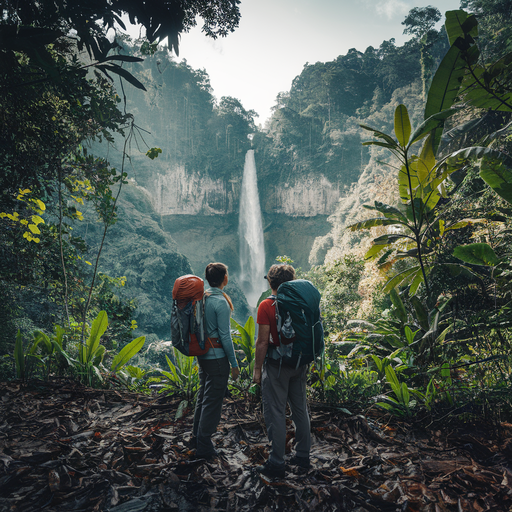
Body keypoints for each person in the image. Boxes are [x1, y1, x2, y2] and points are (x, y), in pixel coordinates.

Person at [253, 264, 311, 478]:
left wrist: (257, 369)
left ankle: (277, 462)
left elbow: (261, 342)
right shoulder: (303, 302)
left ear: (270, 282)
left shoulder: (266, 305)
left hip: (277, 366)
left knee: (276, 412)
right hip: (299, 363)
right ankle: (303, 455)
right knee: (300, 409)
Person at [192, 262, 240, 459]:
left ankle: (195, 437)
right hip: (217, 359)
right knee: (212, 401)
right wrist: (235, 364)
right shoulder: (220, 302)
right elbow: (225, 337)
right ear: (224, 279)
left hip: (202, 355)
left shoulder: (202, 297)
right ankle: (204, 444)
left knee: (203, 396)